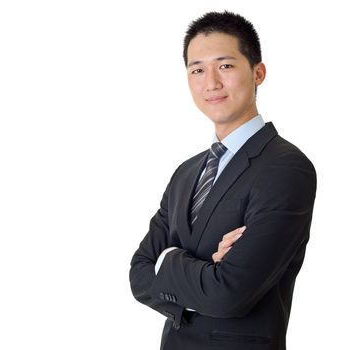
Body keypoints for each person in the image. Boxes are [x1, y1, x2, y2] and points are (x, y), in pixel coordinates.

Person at [129, 11, 317, 350]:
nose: (211, 82)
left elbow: (230, 295)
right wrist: (203, 269)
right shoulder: (186, 173)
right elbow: (138, 275)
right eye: (197, 69)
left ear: (258, 72)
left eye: (225, 66)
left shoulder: (286, 168)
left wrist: (166, 260)